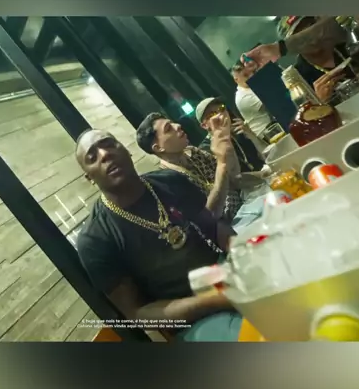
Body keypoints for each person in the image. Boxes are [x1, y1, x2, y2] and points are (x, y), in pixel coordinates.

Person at [75, 129, 242, 340]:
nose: (104, 154)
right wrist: (216, 300)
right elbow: (138, 314)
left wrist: (243, 251)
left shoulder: (170, 181)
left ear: (126, 150)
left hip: (224, 271)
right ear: (89, 177)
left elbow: (215, 228)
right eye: (92, 157)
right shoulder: (94, 239)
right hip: (190, 316)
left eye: (109, 144)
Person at [136, 111, 239, 222]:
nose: (177, 126)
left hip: (240, 208)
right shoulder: (167, 181)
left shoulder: (193, 152)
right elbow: (207, 218)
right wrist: (222, 163)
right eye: (168, 129)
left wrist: (225, 141)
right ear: (158, 148)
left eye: (173, 123)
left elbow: (234, 179)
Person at [276, 16, 355, 104]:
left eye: (311, 27)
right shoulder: (298, 79)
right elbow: (305, 110)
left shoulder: (348, 41)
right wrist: (320, 102)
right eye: (300, 37)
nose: (311, 38)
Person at [231, 58, 273, 138]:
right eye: (246, 75)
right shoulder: (242, 97)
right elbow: (271, 101)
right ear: (236, 79)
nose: (251, 76)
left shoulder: (252, 86)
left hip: (273, 125)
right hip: (265, 134)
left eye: (252, 72)